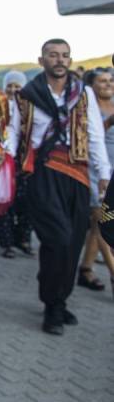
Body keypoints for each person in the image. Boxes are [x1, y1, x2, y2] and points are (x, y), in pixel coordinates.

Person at [6, 39, 111, 335]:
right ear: (42, 60)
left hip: (78, 176)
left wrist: (104, 174)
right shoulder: (26, 95)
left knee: (74, 243)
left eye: (65, 55)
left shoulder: (85, 93)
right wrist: (4, 162)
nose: (60, 60)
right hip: (42, 174)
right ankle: (51, 306)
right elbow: (15, 133)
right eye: (53, 55)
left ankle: (60, 300)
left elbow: (94, 137)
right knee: (58, 240)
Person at [78, 68, 114, 293]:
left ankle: (86, 269)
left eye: (110, 80)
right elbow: (87, 134)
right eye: (102, 81)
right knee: (103, 219)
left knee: (96, 225)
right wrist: (109, 122)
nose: (108, 85)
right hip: (97, 172)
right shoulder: (88, 107)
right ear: (92, 86)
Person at [0, 71, 34, 259]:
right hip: (5, 157)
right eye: (10, 86)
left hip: (25, 158)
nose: (13, 90)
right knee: (5, 201)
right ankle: (7, 242)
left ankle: (23, 239)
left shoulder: (29, 106)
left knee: (28, 202)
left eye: (17, 86)